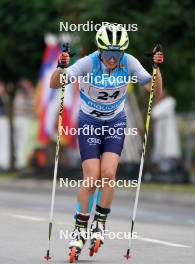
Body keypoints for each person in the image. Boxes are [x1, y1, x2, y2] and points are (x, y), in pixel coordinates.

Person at [50, 23, 164, 260]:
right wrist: (61, 67)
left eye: (117, 54)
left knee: (109, 173)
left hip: (115, 122)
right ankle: (80, 228)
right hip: (89, 122)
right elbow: (55, 84)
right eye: (109, 54)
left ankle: (100, 223)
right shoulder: (88, 63)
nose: (113, 59)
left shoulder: (129, 62)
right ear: (100, 50)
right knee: (91, 178)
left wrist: (155, 68)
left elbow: (154, 91)